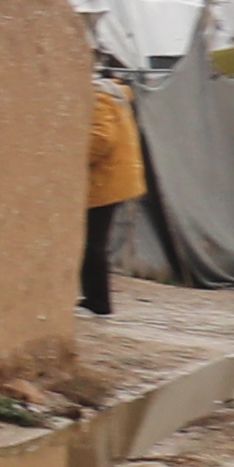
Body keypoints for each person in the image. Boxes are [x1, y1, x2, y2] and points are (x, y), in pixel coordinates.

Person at [82, 68, 147, 316]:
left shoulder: (98, 97)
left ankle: (98, 302)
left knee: (92, 243)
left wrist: (71, 157)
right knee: (93, 241)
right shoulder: (112, 94)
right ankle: (94, 298)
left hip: (105, 180)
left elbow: (102, 139)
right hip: (116, 178)